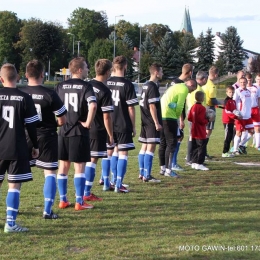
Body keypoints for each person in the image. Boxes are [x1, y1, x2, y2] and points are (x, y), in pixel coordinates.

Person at [20, 60, 67, 219]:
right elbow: (62, 120)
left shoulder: (21, 93)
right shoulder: (50, 93)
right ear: (42, 74)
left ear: (26, 75)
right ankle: (47, 210)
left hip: (24, 136)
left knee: (16, 174)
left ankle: (14, 208)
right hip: (47, 136)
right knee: (50, 173)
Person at [0, 63, 39, 233]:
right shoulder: (25, 98)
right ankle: (10, 223)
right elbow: (31, 126)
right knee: (14, 185)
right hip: (17, 147)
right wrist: (35, 145)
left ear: (1, 79)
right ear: (17, 77)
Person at [55, 57, 97, 210]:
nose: (87, 69)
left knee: (63, 165)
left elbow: (54, 107)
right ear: (79, 70)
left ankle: (63, 200)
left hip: (63, 130)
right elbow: (92, 105)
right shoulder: (86, 86)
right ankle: (79, 201)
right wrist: (87, 123)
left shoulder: (60, 86)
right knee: (79, 167)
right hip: (79, 131)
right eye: (86, 67)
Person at [104, 55, 139, 192]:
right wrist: (134, 126)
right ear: (125, 66)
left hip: (108, 123)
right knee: (123, 153)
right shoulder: (127, 84)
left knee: (109, 152)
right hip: (123, 123)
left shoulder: (106, 82)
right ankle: (119, 184)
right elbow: (131, 108)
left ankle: (108, 182)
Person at [83, 59, 114, 199]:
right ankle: (86, 192)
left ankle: (81, 193)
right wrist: (111, 135)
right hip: (97, 129)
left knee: (82, 162)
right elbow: (107, 117)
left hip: (83, 127)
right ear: (108, 72)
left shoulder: (86, 85)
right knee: (92, 160)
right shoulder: (105, 90)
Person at [159, 79, 197, 177]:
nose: (190, 92)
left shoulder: (175, 86)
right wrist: (177, 117)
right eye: (192, 90)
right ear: (191, 85)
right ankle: (168, 170)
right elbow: (180, 106)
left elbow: (166, 101)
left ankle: (162, 168)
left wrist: (172, 106)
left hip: (161, 115)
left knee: (163, 143)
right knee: (171, 144)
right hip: (170, 117)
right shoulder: (184, 89)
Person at [138, 63, 163, 182]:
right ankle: (147, 175)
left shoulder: (145, 85)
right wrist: (157, 122)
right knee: (151, 148)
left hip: (144, 119)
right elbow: (152, 106)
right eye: (161, 71)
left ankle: (142, 172)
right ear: (156, 72)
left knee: (144, 146)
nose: (162, 74)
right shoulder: (153, 86)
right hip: (151, 121)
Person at [170, 63, 194, 170]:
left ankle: (173, 163)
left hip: (175, 115)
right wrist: (180, 119)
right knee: (177, 138)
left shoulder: (175, 82)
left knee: (179, 137)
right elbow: (174, 102)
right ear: (190, 72)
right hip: (174, 116)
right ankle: (172, 164)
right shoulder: (179, 84)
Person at [185, 70, 208, 165]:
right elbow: (195, 104)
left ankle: (192, 158)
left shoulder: (196, 88)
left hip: (193, 114)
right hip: (196, 115)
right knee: (196, 138)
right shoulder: (197, 89)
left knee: (194, 136)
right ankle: (192, 159)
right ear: (203, 79)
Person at [188, 91, 209, 170]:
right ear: (202, 98)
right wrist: (207, 120)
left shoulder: (193, 106)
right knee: (201, 147)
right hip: (200, 130)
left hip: (193, 129)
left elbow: (189, 117)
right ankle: (199, 163)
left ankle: (194, 162)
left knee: (195, 147)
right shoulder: (202, 108)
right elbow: (201, 120)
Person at [233, 77, 254, 155]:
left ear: (246, 82)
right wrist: (236, 113)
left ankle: (241, 145)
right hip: (240, 116)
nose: (243, 84)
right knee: (238, 133)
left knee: (251, 132)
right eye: (241, 82)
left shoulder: (249, 91)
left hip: (248, 116)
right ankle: (235, 150)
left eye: (244, 82)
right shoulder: (238, 91)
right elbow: (234, 102)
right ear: (239, 83)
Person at [202, 66, 220, 159]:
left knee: (203, 130)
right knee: (207, 131)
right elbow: (212, 100)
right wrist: (221, 104)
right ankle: (203, 152)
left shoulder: (204, 83)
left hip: (203, 107)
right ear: (216, 74)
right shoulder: (211, 85)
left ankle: (202, 151)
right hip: (209, 109)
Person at [221, 86, 242, 157]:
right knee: (228, 136)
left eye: (232, 92)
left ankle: (227, 151)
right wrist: (236, 117)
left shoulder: (233, 101)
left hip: (231, 121)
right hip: (227, 121)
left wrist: (237, 114)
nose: (231, 93)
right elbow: (228, 112)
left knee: (230, 136)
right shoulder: (226, 101)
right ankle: (224, 152)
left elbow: (234, 110)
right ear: (226, 92)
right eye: (229, 92)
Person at [246, 72, 260, 150]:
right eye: (248, 80)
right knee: (248, 130)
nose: (249, 82)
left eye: (250, 80)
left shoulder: (256, 88)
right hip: (247, 110)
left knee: (257, 128)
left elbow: (258, 99)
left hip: (255, 109)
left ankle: (257, 145)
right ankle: (242, 145)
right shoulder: (243, 89)